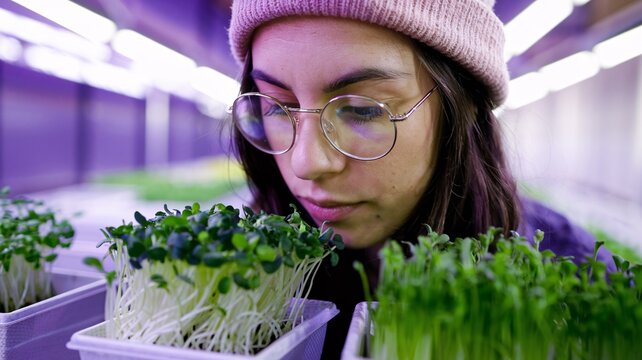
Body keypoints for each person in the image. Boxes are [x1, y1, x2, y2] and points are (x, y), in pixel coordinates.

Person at [226, 0, 614, 358]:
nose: (307, 162)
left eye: (362, 111)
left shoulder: (589, 288)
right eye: (277, 106)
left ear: (462, 107)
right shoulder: (232, 276)